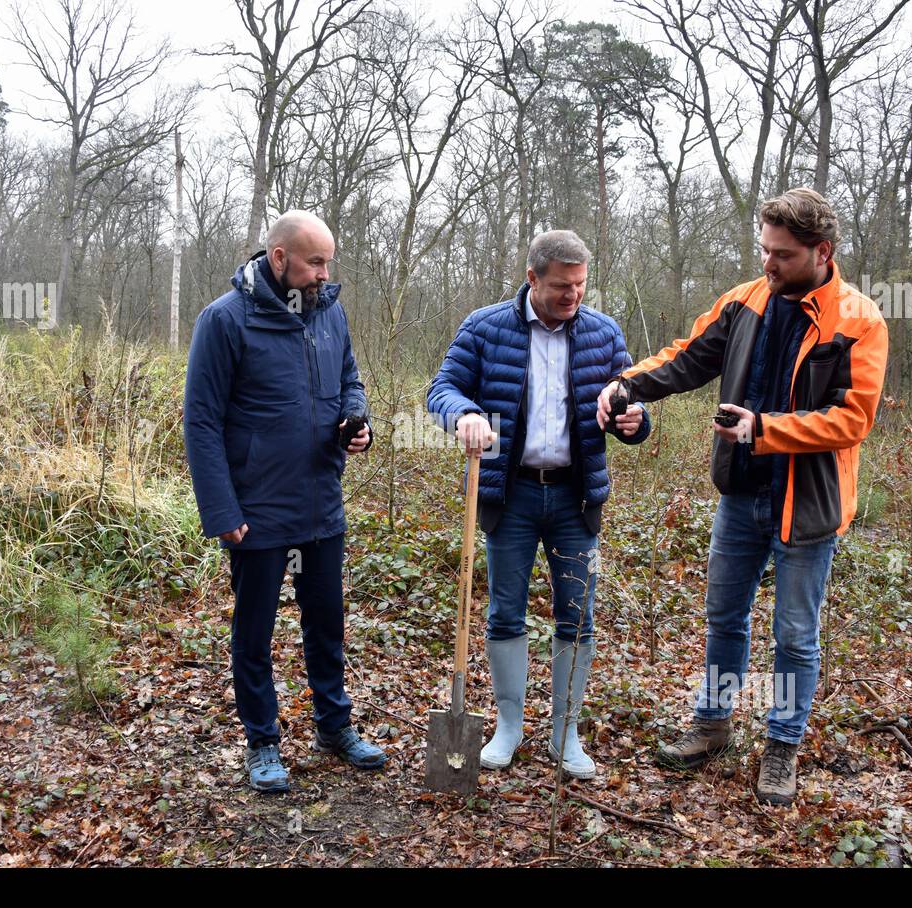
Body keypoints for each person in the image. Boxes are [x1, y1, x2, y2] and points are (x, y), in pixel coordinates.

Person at [599, 188, 888, 805]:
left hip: (806, 504)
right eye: (763, 249)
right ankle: (712, 726)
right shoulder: (745, 302)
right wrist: (628, 383)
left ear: (821, 252)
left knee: (794, 635)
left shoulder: (859, 320)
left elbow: (852, 420)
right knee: (724, 617)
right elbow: (687, 358)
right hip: (740, 495)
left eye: (782, 254)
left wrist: (766, 429)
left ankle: (782, 748)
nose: (768, 263)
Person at [427, 229, 651, 779]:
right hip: (512, 494)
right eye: (560, 286)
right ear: (532, 279)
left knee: (577, 613)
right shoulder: (485, 327)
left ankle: (565, 732)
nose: (572, 295)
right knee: (505, 610)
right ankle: (508, 726)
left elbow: (632, 407)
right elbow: (442, 389)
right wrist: (463, 414)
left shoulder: (602, 333)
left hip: (577, 499)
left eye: (579, 285)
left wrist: (634, 420)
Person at [183, 209, 385, 793]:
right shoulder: (224, 322)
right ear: (279, 259)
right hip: (257, 510)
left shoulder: (329, 312)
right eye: (315, 262)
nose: (325, 274)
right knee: (255, 632)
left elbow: (350, 377)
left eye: (329, 262)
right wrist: (222, 510)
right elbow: (201, 421)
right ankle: (263, 742)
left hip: (321, 500)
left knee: (327, 622)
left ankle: (333, 726)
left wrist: (356, 420)